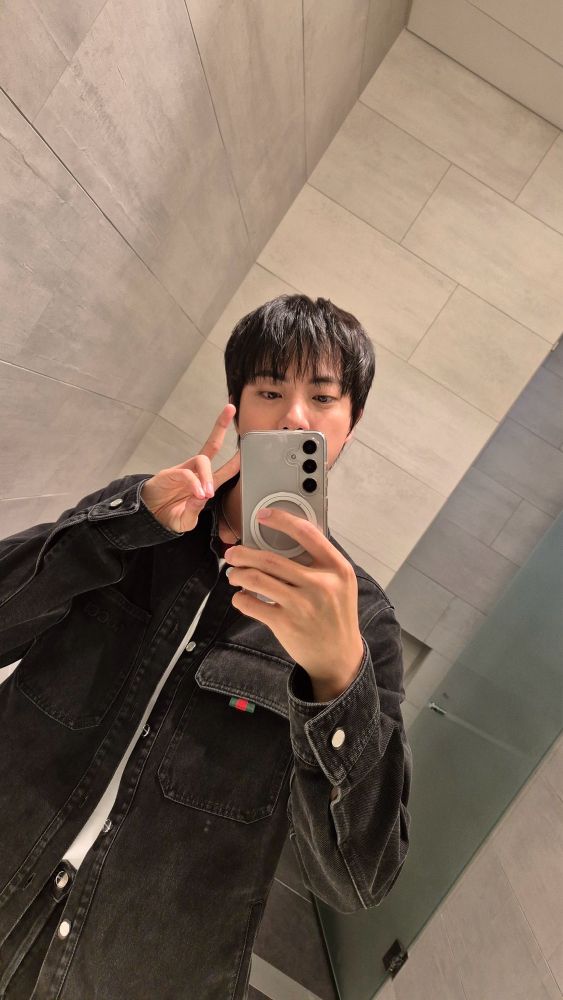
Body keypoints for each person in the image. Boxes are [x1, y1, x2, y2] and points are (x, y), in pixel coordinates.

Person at [0, 294, 412, 999]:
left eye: (322, 397)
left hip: (135, 970)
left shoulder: (359, 620)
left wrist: (337, 679)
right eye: (270, 391)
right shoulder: (138, 516)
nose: (294, 417)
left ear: (351, 424)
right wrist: (119, 527)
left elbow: (356, 879)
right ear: (236, 406)